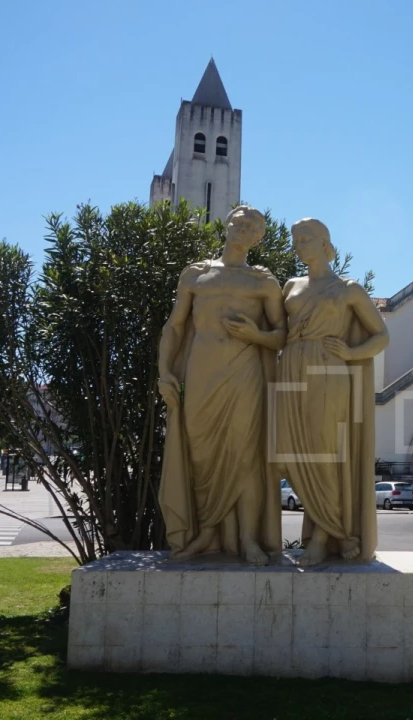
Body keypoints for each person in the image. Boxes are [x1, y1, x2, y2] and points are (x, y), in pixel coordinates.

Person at [157, 205, 286, 563]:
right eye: (239, 224)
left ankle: (247, 538)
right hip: (200, 374)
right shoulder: (196, 274)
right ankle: (206, 535)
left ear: (258, 239)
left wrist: (254, 335)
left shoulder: (263, 281)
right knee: (202, 456)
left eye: (252, 229)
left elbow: (281, 337)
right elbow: (175, 326)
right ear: (227, 226)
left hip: (244, 373)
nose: (243, 231)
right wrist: (164, 371)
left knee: (244, 456)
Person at [276, 218, 390, 566]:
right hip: (291, 369)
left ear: (324, 242)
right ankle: (329, 528)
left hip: (328, 370)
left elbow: (381, 336)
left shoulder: (348, 289)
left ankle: (325, 535)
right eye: (295, 239)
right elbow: (278, 331)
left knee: (324, 454)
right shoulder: (290, 285)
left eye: (305, 238)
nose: (298, 244)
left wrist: (352, 354)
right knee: (289, 454)